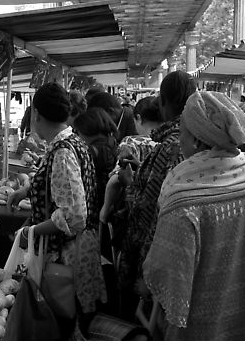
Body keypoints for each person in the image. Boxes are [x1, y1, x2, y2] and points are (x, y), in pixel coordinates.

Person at [142, 90, 245, 340]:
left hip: (197, 321)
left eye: (182, 131)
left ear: (195, 139)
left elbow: (167, 271)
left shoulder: (181, 188)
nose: (179, 139)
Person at [8, 82, 107, 339]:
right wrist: (27, 190)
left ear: (36, 114)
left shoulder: (63, 152)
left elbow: (74, 216)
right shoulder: (73, 142)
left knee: (61, 321)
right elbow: (64, 188)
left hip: (65, 254)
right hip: (77, 248)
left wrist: (32, 231)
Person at [116, 70, 196, 321]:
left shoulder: (171, 146)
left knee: (152, 324)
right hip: (185, 255)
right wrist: (143, 172)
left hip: (158, 256)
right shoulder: (194, 141)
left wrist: (130, 184)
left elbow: (151, 208)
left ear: (162, 102)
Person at [99, 96, 163, 252]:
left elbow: (116, 180)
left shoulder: (131, 143)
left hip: (135, 216)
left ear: (139, 118)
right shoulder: (169, 142)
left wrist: (105, 211)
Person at [72, 107, 118, 208]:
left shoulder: (95, 150)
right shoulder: (110, 141)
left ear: (87, 130)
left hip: (98, 203)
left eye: (78, 132)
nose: (78, 136)